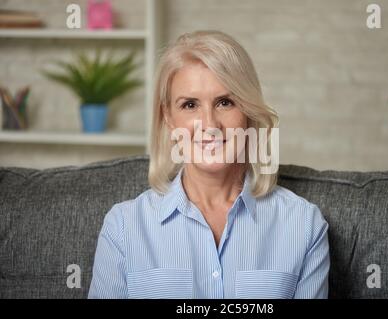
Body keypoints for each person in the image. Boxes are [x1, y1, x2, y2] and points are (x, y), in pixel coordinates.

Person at [88, 30, 329, 299]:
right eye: (190, 105)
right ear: (168, 116)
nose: (210, 126)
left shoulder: (304, 225)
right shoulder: (123, 227)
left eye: (225, 102)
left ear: (248, 111)